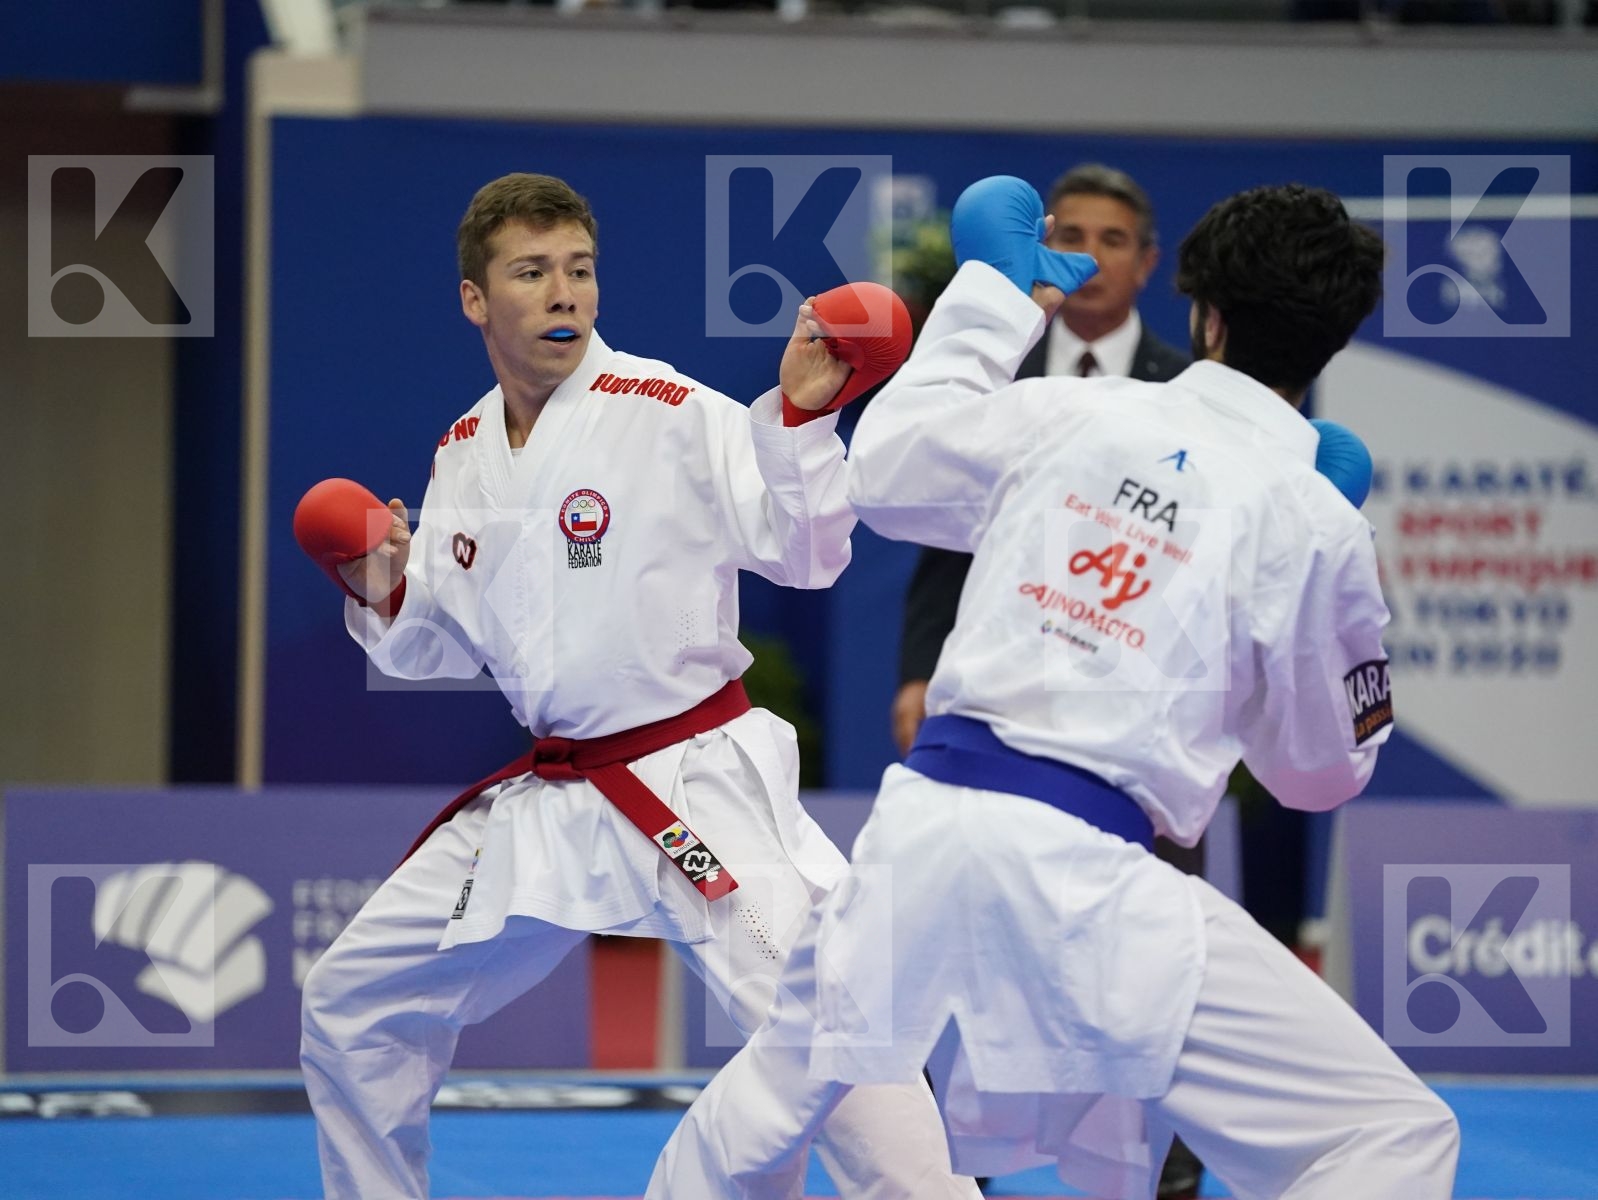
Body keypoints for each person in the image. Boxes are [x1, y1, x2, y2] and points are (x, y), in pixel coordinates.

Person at [647, 177, 1460, 1199]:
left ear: (1205, 314)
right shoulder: (1313, 519)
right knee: (1391, 1133)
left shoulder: (1076, 411)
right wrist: (1320, 605)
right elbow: (1315, 777)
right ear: (1332, 341)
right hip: (1095, 883)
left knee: (767, 1103)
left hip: (921, 834)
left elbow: (885, 468)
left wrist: (992, 292)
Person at [295, 172, 979, 1200]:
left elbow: (803, 555)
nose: (563, 293)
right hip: (554, 794)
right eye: (531, 272)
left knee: (831, 1024)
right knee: (351, 1003)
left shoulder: (666, 409)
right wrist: (382, 588)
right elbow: (439, 645)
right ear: (476, 299)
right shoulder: (463, 453)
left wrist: (800, 419)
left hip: (690, 781)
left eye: (578, 270)